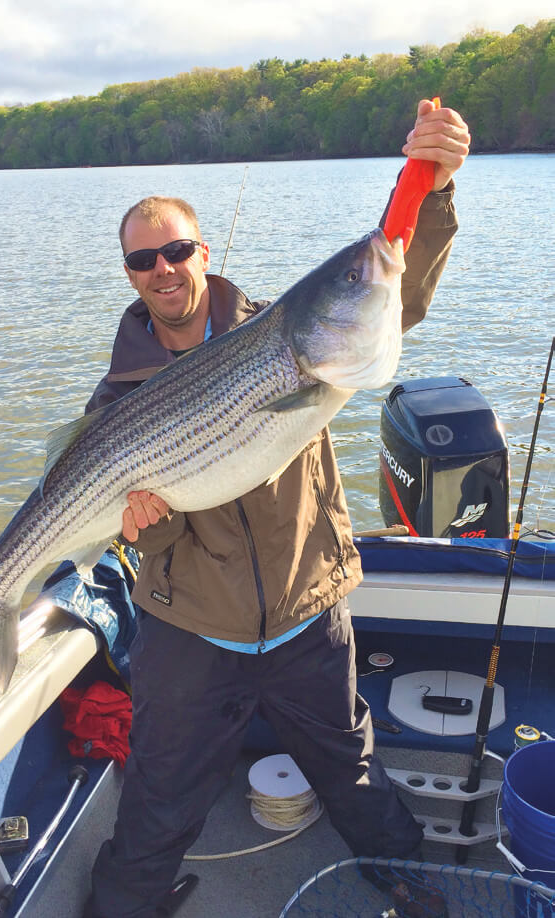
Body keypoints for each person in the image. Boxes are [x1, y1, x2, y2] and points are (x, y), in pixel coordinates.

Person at [83, 100, 471, 918]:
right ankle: (123, 906)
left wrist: (430, 189)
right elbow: (127, 526)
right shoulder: (114, 400)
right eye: (143, 258)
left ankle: (404, 872)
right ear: (128, 274)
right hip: (189, 629)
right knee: (159, 790)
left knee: (349, 764)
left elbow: (390, 288)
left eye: (177, 249)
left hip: (306, 609)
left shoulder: (284, 334)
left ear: (203, 253)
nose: (164, 268)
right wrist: (137, 519)